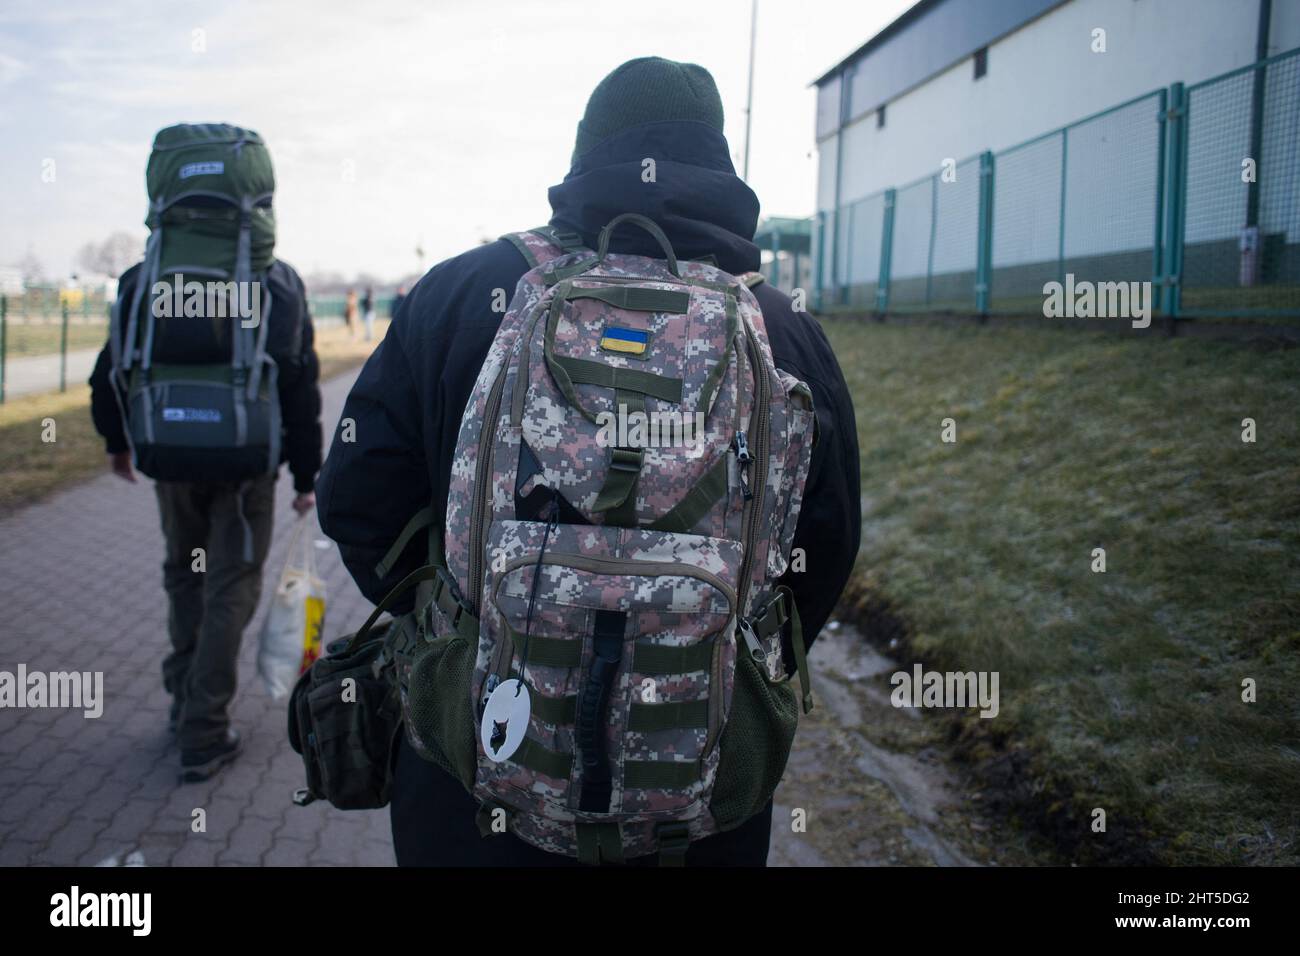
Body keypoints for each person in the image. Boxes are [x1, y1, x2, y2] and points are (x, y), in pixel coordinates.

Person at [316, 57, 861, 865]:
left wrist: (455, 629)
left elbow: (358, 501)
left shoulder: (466, 293)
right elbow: (827, 543)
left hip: (477, 773)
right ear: (721, 166)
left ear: (582, 157)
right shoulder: (780, 327)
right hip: (703, 792)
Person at [89, 126, 323, 783]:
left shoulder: (143, 281)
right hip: (246, 464)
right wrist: (308, 475)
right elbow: (301, 385)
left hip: (170, 452)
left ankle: (182, 698)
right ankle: (204, 728)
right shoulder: (276, 285)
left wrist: (116, 441)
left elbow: (110, 370)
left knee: (183, 573)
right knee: (231, 583)